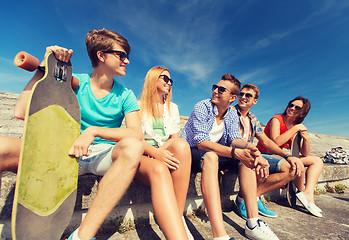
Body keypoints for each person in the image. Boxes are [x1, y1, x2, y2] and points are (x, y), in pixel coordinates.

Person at [1, 29, 145, 240]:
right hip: (67, 154)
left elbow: (136, 134)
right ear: (101, 55)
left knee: (133, 147)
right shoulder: (76, 82)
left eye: (127, 56)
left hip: (102, 156)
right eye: (121, 55)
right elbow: (21, 112)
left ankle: (82, 236)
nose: (127, 61)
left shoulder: (126, 95)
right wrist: (45, 67)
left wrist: (92, 131)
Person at [181, 74, 279, 240]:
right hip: (190, 153)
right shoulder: (202, 107)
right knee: (211, 156)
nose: (215, 91)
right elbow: (201, 143)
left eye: (221, 89)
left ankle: (253, 223)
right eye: (215, 87)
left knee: (246, 159)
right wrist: (234, 153)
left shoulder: (232, 114)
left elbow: (234, 139)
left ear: (232, 97)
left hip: (213, 153)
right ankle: (220, 235)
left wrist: (252, 149)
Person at [137, 66, 192, 239]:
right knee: (169, 155)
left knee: (182, 145)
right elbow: (135, 139)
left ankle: (177, 216)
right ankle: (174, 223)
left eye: (171, 81)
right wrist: (155, 153)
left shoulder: (173, 108)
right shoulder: (137, 106)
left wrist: (162, 152)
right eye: (165, 79)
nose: (169, 83)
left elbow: (174, 139)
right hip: (143, 154)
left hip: (164, 153)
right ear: (153, 79)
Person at [235, 84, 304, 219]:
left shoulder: (252, 119)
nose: (243, 97)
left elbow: (266, 141)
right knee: (258, 163)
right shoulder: (230, 113)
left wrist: (287, 156)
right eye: (241, 94)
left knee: (291, 169)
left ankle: (253, 197)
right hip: (233, 154)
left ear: (255, 101)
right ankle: (243, 200)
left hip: (249, 154)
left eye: (248, 95)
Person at [257, 96, 324, 218]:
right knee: (297, 163)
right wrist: (296, 128)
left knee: (317, 160)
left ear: (302, 112)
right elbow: (275, 142)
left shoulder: (294, 125)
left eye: (297, 107)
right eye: (290, 105)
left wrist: (305, 138)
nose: (292, 108)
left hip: (283, 156)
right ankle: (303, 193)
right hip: (267, 154)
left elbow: (305, 153)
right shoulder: (277, 120)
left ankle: (307, 192)